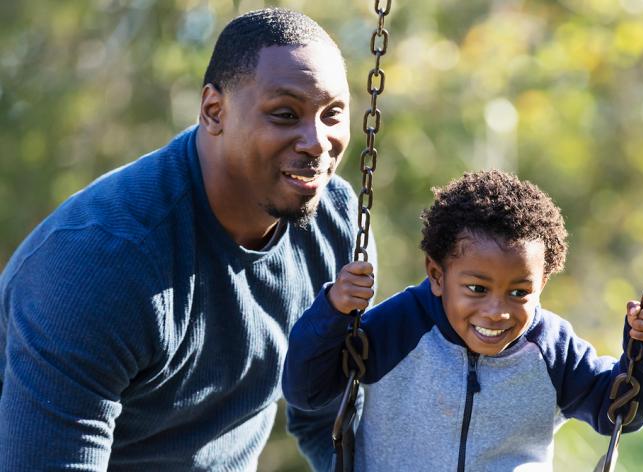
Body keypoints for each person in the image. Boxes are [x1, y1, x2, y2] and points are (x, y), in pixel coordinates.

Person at [0, 8, 372, 471]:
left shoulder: (335, 225)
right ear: (214, 111)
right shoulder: (101, 261)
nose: (317, 142)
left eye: (333, 114)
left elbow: (325, 416)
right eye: (285, 114)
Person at [283, 170, 643, 470]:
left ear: (542, 283)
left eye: (519, 292)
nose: (497, 311)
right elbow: (307, 391)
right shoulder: (400, 328)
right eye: (477, 289)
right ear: (437, 275)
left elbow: (618, 409)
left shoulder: (552, 350)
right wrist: (333, 311)